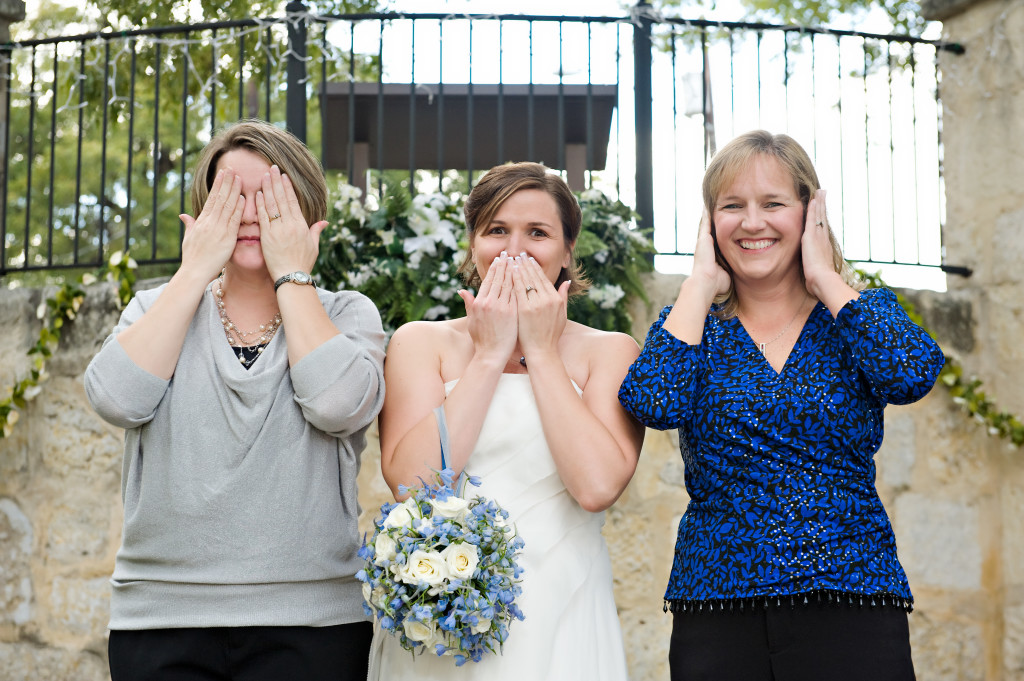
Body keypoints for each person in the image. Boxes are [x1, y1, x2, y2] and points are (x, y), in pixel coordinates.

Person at [618, 130, 944, 681]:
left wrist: (823, 276)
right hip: (718, 607)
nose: (752, 222)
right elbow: (652, 402)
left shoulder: (856, 315)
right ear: (709, 222)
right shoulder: (693, 328)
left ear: (809, 211)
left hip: (851, 596)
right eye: (731, 206)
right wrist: (699, 283)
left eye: (773, 203)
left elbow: (912, 372)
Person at [84, 119, 386, 681]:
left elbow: (339, 404)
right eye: (231, 196)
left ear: (307, 209)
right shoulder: (155, 309)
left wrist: (292, 273)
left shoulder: (346, 314)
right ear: (200, 211)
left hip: (313, 623)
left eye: (270, 195)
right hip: (160, 618)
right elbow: (115, 399)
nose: (250, 213)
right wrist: (195, 269)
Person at [366, 162, 644, 679]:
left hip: (565, 605)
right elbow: (415, 484)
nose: (515, 248)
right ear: (474, 244)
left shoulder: (610, 352)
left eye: (537, 233)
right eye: (497, 230)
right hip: (443, 615)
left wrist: (540, 353)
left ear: (566, 252)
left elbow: (597, 486)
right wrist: (490, 356)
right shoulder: (419, 343)